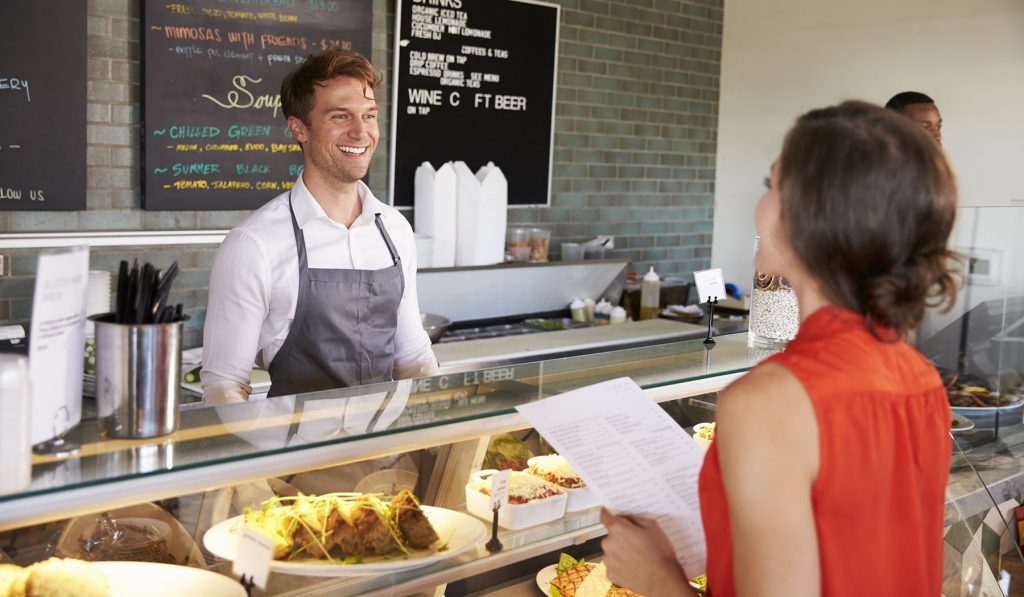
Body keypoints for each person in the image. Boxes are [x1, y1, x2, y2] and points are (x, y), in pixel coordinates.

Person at [600, 101, 960, 596]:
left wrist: (656, 576)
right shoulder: (918, 375)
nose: (760, 204)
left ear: (813, 216)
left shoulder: (769, 401)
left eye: (772, 185)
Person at [202, 49, 437, 404]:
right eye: (341, 117)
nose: (361, 132)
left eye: (369, 116)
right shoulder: (254, 244)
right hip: (297, 454)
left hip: (387, 452)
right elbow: (223, 386)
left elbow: (414, 358)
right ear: (299, 128)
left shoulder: (394, 230)